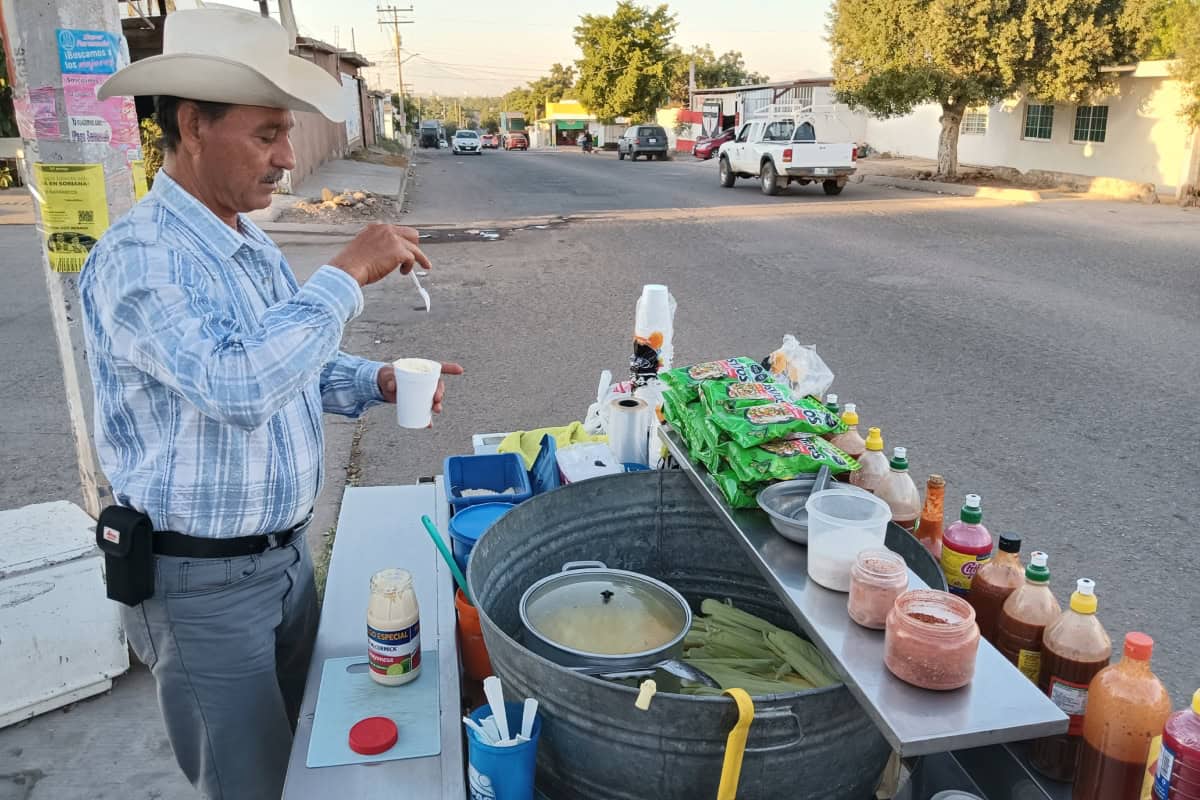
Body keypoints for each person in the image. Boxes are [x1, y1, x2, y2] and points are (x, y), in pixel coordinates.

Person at [81, 8, 462, 799]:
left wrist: (376, 382)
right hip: (202, 586)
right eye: (266, 135)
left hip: (285, 562)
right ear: (192, 126)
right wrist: (344, 274)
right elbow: (238, 385)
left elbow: (289, 360)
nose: (288, 158)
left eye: (286, 134)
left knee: (311, 758)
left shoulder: (243, 240)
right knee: (250, 783)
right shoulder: (140, 258)